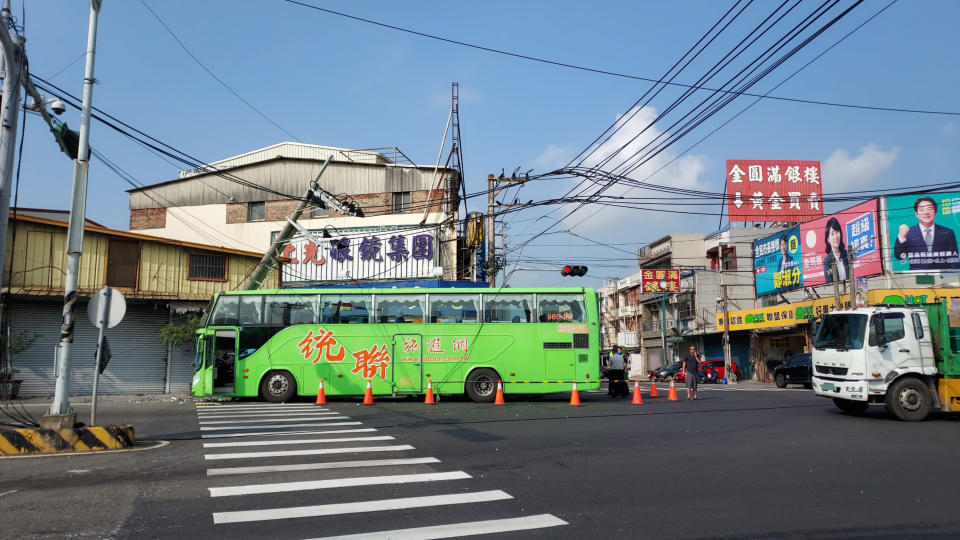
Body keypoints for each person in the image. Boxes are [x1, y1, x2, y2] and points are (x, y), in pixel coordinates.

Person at [892, 196, 960, 270]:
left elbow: (954, 259)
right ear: (916, 213)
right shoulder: (908, 233)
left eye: (930, 209)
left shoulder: (947, 232)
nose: (926, 212)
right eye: (922, 210)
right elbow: (899, 256)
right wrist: (901, 237)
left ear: (936, 212)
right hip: (918, 277)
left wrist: (955, 277)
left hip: (942, 277)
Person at [822, 217, 848, 283]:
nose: (836, 236)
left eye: (837, 232)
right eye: (832, 234)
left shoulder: (847, 255)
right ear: (828, 239)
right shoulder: (827, 261)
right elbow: (829, 284)